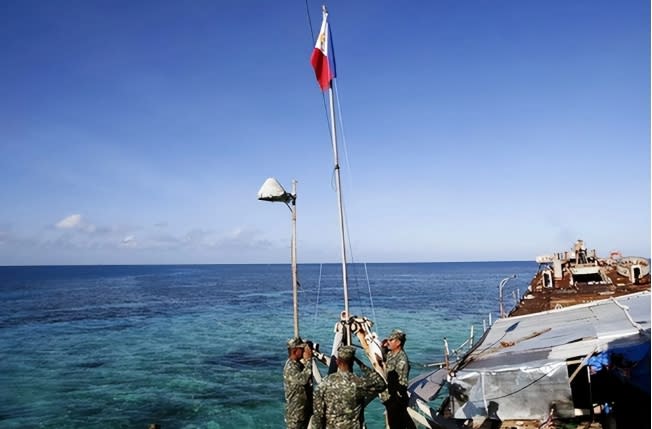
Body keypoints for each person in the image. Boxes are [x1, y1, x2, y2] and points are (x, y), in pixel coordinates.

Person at [312, 345, 386, 429]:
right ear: (352, 362)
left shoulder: (325, 383)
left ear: (337, 362)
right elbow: (381, 384)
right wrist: (361, 364)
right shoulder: (358, 383)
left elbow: (318, 414)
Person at [380, 329, 416, 429]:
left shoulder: (402, 360)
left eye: (391, 340)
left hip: (396, 400)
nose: (388, 342)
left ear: (398, 343)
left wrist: (394, 402)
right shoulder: (391, 354)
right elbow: (385, 355)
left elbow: (402, 384)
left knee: (397, 425)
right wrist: (383, 347)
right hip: (389, 398)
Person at [284, 336, 314, 429]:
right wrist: (309, 360)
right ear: (295, 351)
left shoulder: (297, 364)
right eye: (301, 349)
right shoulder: (291, 367)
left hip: (302, 412)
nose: (303, 351)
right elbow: (303, 380)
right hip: (295, 415)